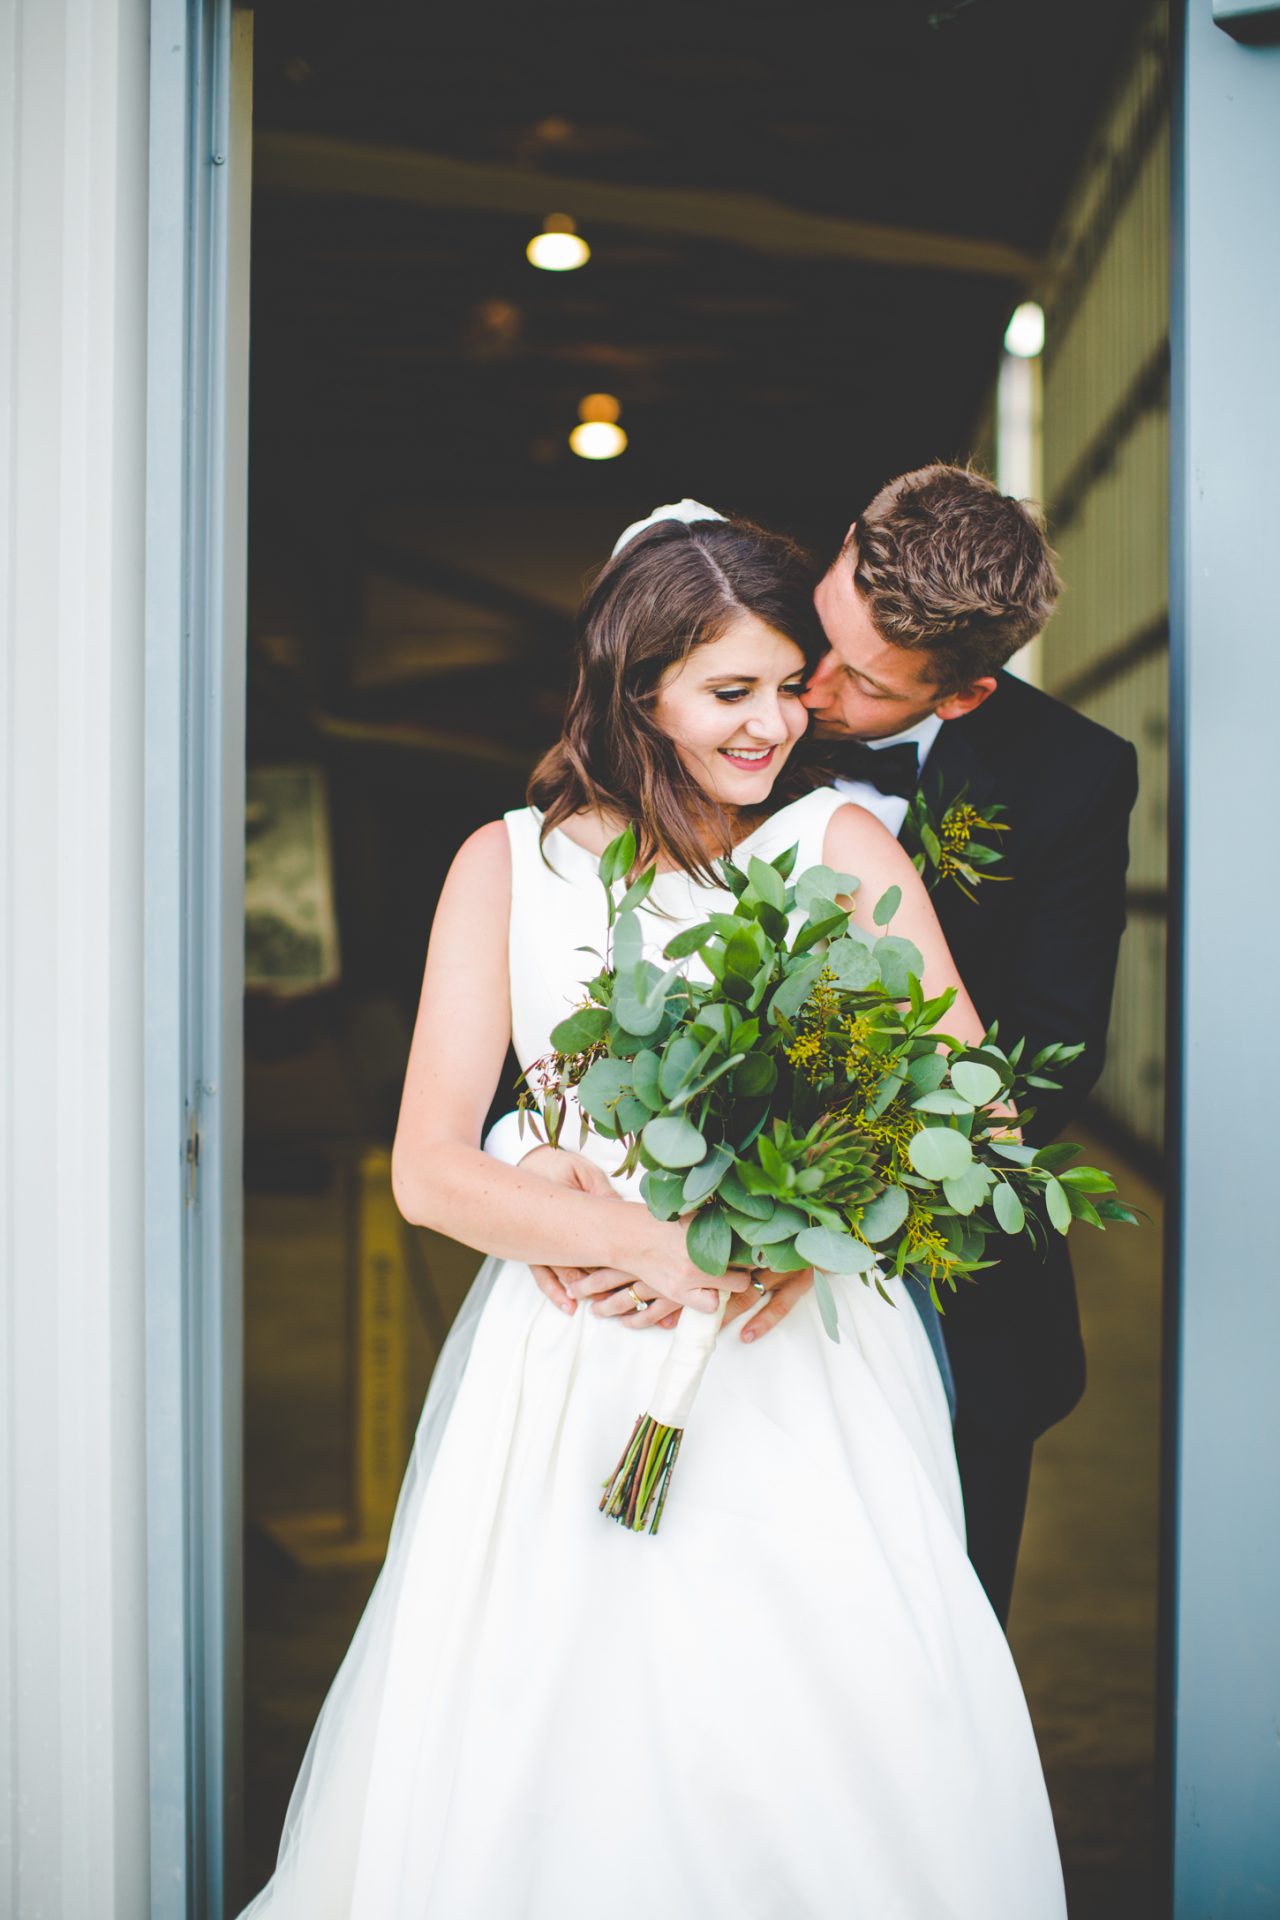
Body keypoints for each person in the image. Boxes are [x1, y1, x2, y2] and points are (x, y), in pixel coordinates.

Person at [240, 509, 1067, 1918]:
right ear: (640, 690)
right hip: (566, 1370)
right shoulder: (506, 865)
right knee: (553, 1730)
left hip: (796, 1363)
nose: (776, 724)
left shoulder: (843, 843)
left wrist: (798, 1231)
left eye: (788, 684)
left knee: (813, 1731)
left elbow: (973, 1118)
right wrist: (642, 1242)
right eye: (728, 692)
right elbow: (429, 1169)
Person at [514, 470, 1138, 1627]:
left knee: (916, 1641)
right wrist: (546, 1155)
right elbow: (572, 948)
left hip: (932, 1287)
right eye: (825, 631)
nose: (805, 692)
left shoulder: (1070, 778)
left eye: (857, 682)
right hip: (651, 1257)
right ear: (843, 548)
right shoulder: (712, 686)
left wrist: (824, 1211)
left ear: (959, 697)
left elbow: (1042, 1052)